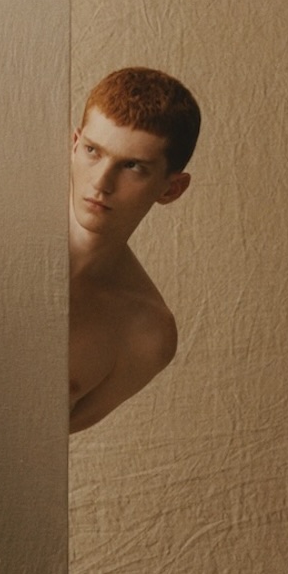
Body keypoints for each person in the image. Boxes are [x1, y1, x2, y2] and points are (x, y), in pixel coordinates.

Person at [68, 67, 201, 433]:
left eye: (132, 166)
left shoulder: (146, 334)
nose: (101, 182)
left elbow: (44, 446)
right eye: (93, 151)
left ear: (171, 189)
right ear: (74, 145)